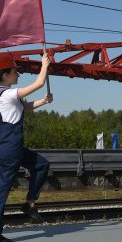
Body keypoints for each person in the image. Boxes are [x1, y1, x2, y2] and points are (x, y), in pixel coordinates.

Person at [0, 52, 53, 242]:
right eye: (15, 71)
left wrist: (44, 101)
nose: (18, 75)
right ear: (5, 74)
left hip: (12, 148)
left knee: (41, 164)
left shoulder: (7, 96)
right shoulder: (7, 94)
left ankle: (29, 204)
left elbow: (25, 107)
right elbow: (38, 83)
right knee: (2, 190)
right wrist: (44, 65)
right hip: (8, 149)